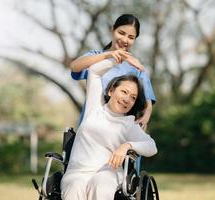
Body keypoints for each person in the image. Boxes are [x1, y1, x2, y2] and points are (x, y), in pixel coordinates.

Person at [61, 59, 158, 200]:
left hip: (108, 174)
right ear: (111, 90)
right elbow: (94, 71)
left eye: (133, 97)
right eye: (124, 92)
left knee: (101, 183)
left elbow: (152, 147)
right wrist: (117, 58)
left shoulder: (129, 124)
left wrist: (127, 145)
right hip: (78, 172)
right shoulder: (94, 108)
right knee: (75, 185)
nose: (127, 99)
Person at [70, 14, 156, 130]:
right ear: (112, 30)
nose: (125, 40)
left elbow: (148, 100)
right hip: (91, 127)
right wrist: (107, 55)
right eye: (121, 33)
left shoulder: (135, 66)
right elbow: (74, 67)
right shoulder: (96, 57)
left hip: (118, 132)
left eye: (131, 37)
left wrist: (145, 117)